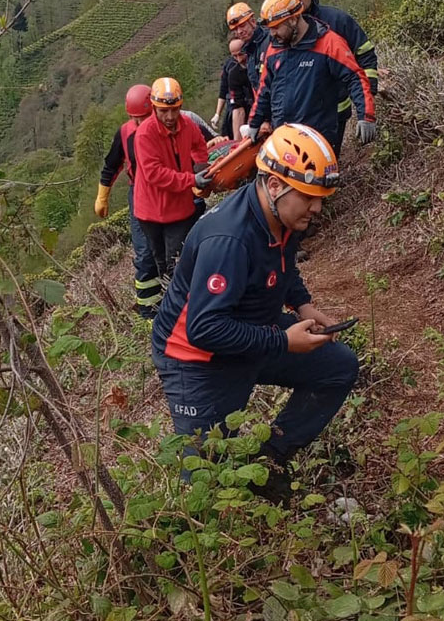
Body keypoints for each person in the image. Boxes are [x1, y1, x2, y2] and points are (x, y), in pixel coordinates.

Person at [151, 122, 359, 505]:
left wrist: (303, 305)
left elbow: (283, 264)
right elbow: (203, 328)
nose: (317, 207)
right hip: (197, 359)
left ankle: (269, 462)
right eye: (309, 197)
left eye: (321, 198)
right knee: (204, 480)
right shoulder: (228, 240)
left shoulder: (283, 216)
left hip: (251, 328)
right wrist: (282, 341)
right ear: (276, 185)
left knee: (338, 367)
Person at [244, 0, 376, 155]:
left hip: (318, 138)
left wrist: (366, 116)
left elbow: (355, 77)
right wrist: (254, 123)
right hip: (283, 137)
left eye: (276, 27)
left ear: (293, 19)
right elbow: (265, 89)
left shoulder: (328, 43)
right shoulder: (275, 48)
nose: (272, 33)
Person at [281, 0, 378, 152]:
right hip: (294, 119)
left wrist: (367, 99)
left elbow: (365, 54)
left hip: (333, 114)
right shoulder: (280, 31)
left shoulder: (336, 20)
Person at [133, 77, 210, 283]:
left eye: (174, 110)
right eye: (163, 111)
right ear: (154, 108)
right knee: (161, 260)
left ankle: (182, 300)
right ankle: (172, 299)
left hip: (180, 209)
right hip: (150, 211)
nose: (170, 116)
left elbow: (199, 145)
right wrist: (192, 179)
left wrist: (202, 170)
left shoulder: (188, 126)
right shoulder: (144, 134)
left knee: (176, 260)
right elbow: (154, 174)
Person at [94, 84, 162, 316]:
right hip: (140, 193)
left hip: (167, 189)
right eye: (136, 119)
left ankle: (173, 299)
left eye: (144, 117)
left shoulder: (169, 125)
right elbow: (112, 165)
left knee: (171, 248)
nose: (141, 123)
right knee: (144, 252)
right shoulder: (125, 133)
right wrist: (103, 195)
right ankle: (148, 310)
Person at [226, 1, 269, 92]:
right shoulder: (249, 51)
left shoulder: (269, 41)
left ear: (253, 22)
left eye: (242, 26)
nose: (239, 32)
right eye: (235, 29)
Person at [211, 40, 239, 135]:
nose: (238, 59)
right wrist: (217, 114)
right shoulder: (229, 65)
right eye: (234, 55)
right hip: (230, 108)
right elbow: (223, 91)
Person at [226, 39, 253, 139]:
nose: (239, 59)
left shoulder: (259, 62)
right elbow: (237, 108)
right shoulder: (234, 74)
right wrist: (237, 142)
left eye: (241, 54)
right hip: (249, 108)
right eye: (235, 56)